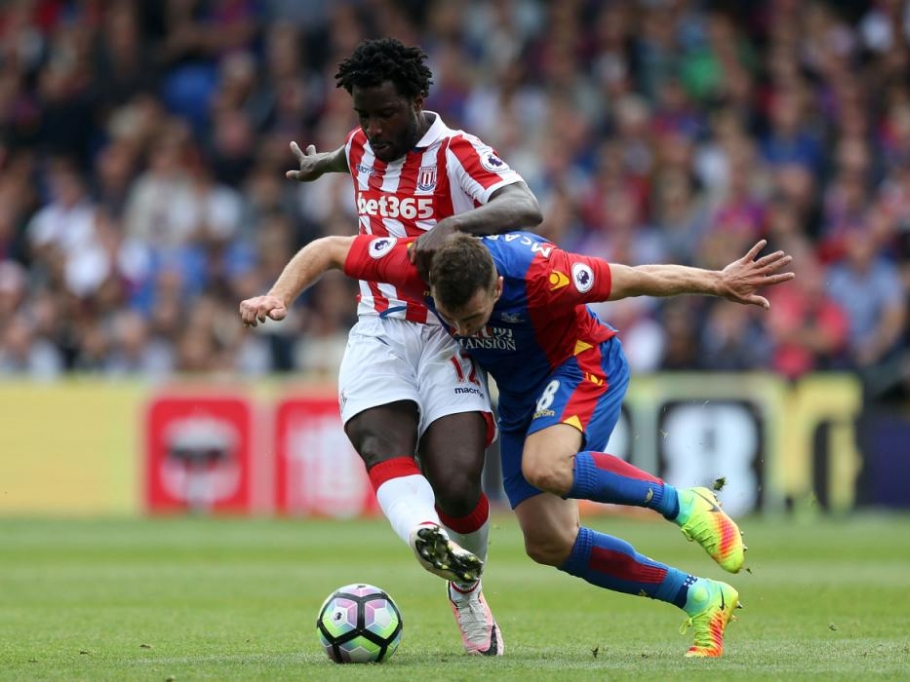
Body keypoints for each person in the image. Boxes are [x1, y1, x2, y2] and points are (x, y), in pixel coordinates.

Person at [240, 231, 794, 657]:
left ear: (497, 289)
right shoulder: (415, 261)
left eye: (476, 316)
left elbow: (635, 277)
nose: (465, 328)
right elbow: (330, 248)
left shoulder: (543, 272)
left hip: (582, 364)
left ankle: (684, 503)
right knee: (548, 542)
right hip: (522, 396)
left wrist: (716, 282)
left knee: (547, 465)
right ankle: (699, 598)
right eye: (451, 317)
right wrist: (280, 295)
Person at [282, 38, 542, 656]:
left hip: (448, 332)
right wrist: (321, 163)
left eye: (385, 114)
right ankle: (427, 534)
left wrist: (454, 226)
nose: (372, 129)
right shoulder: (365, 144)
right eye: (362, 116)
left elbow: (525, 205)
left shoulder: (455, 151)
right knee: (381, 444)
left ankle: (464, 589)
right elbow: (355, 155)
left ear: (417, 100)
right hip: (378, 328)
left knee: (456, 481)